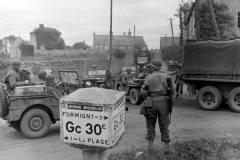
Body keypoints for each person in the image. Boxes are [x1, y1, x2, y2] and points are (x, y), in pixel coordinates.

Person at [140, 59, 173, 153]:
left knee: (150, 125)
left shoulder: (149, 77)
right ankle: (167, 148)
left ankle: (150, 148)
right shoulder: (167, 77)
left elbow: (143, 92)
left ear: (152, 67)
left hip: (151, 103)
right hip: (164, 103)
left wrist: (148, 96)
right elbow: (172, 92)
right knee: (164, 125)